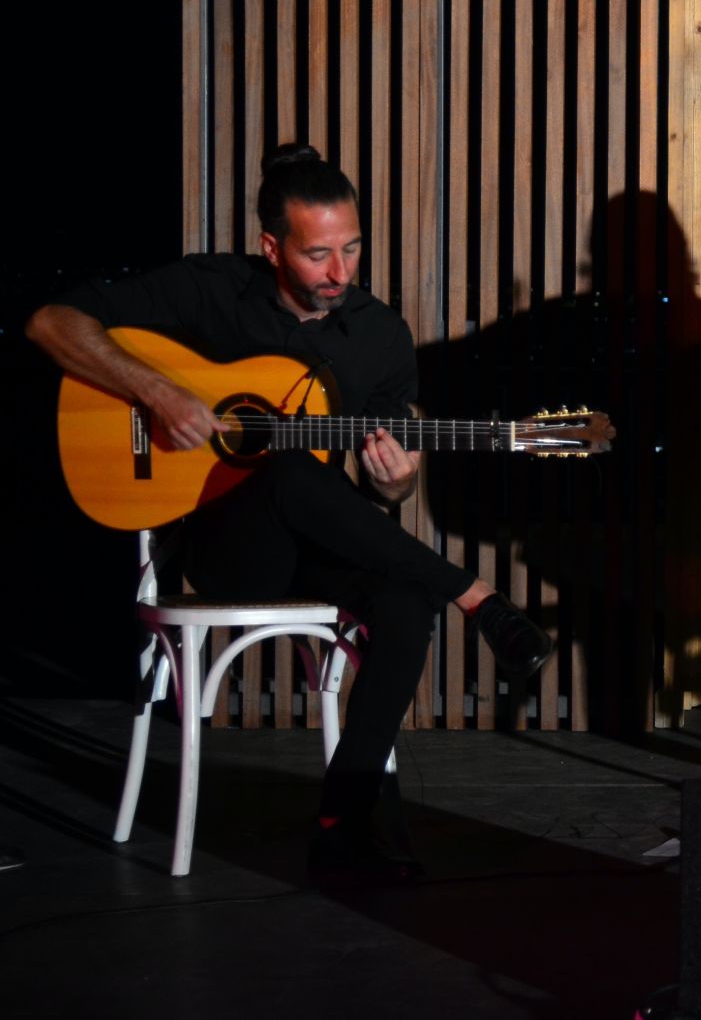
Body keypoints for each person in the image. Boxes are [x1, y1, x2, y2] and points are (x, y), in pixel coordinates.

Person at [28, 144, 554, 880]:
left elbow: (380, 497)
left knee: (403, 602)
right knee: (280, 464)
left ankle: (344, 817)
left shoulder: (379, 334)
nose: (340, 272)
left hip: (314, 537)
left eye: (352, 248)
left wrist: (398, 479)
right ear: (272, 246)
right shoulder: (209, 291)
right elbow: (53, 322)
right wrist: (154, 390)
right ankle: (473, 591)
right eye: (317, 255)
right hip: (221, 547)